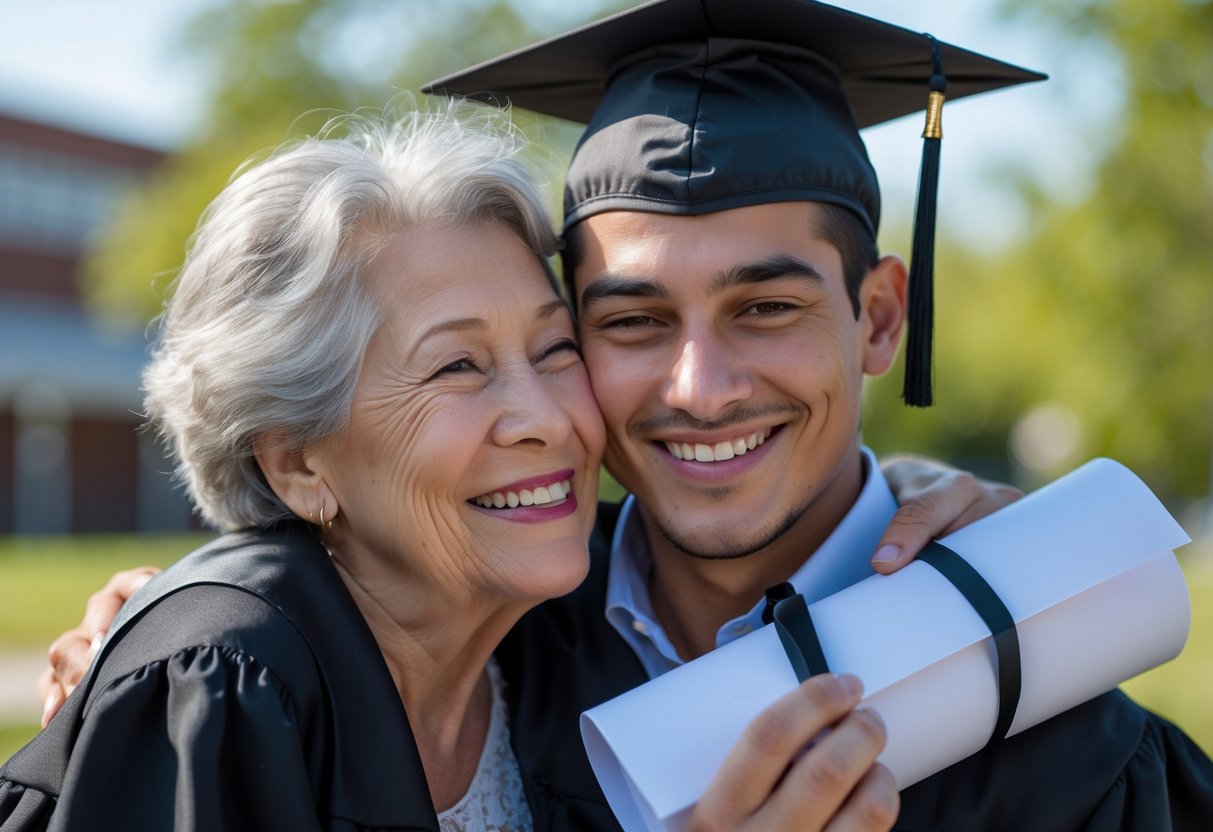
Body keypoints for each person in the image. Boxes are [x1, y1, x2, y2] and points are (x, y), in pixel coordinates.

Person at [12, 101, 1020, 831]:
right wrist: (182, 632)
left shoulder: (553, 652)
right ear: (296, 464)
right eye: (457, 366)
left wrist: (940, 506)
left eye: (554, 348)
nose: (546, 417)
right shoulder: (225, 688)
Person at [417, 0, 1213, 829]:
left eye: (765, 308)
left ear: (878, 319)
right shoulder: (482, 652)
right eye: (632, 321)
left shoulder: (1079, 759)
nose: (700, 389)